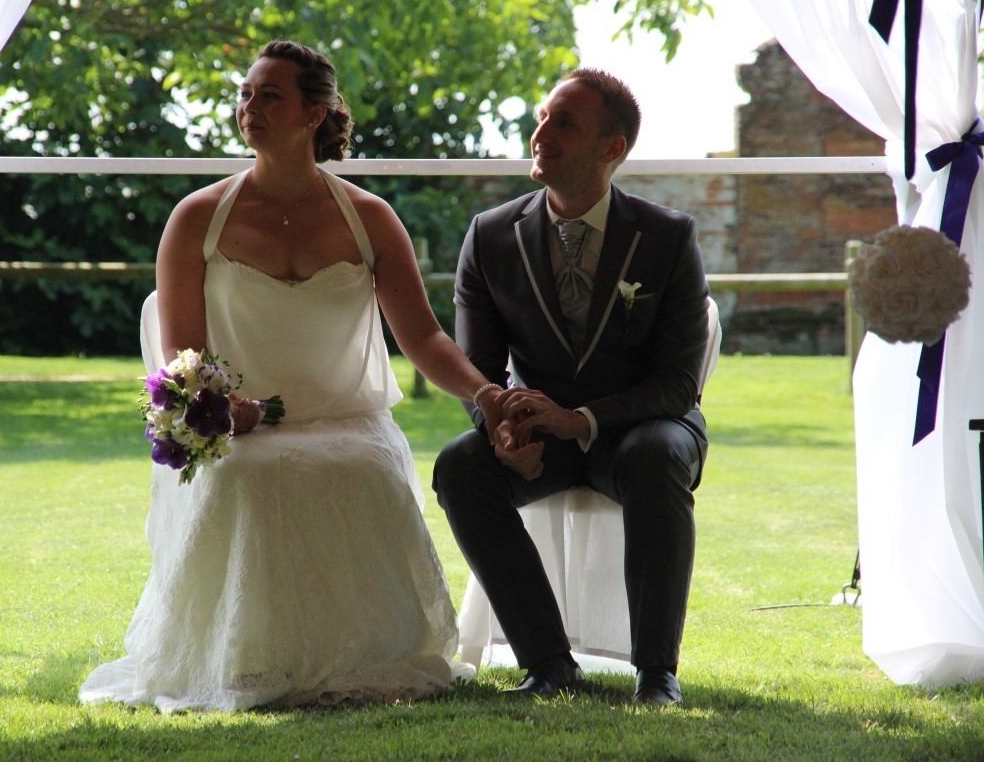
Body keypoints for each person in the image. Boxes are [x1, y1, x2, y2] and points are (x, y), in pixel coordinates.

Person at [79, 40, 502, 712]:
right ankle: (249, 660)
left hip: (347, 418)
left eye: (268, 95)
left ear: (316, 113)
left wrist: (485, 392)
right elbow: (181, 356)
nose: (249, 107)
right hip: (239, 426)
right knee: (247, 475)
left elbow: (421, 337)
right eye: (246, 94)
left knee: (360, 468)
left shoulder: (369, 219)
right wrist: (225, 408)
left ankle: (367, 657)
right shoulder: (195, 219)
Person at [433, 68, 709, 705]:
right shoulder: (491, 235)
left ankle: (656, 674)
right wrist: (500, 425)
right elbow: (478, 369)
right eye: (542, 117)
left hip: (642, 429)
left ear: (611, 149)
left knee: (654, 453)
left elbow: (676, 385)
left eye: (564, 122)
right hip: (542, 435)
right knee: (460, 467)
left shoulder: (668, 238)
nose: (541, 133)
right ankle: (549, 664)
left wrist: (579, 418)